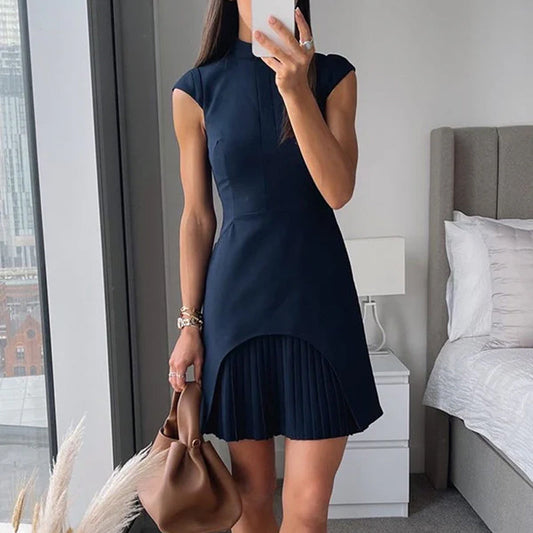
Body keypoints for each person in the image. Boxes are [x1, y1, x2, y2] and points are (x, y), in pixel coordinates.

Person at [169, 0, 383, 531]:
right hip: (237, 309)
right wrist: (189, 323)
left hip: (318, 303)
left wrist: (295, 88)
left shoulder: (333, 76)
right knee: (252, 498)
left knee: (307, 511)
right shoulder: (196, 90)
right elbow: (197, 217)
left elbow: (337, 190)